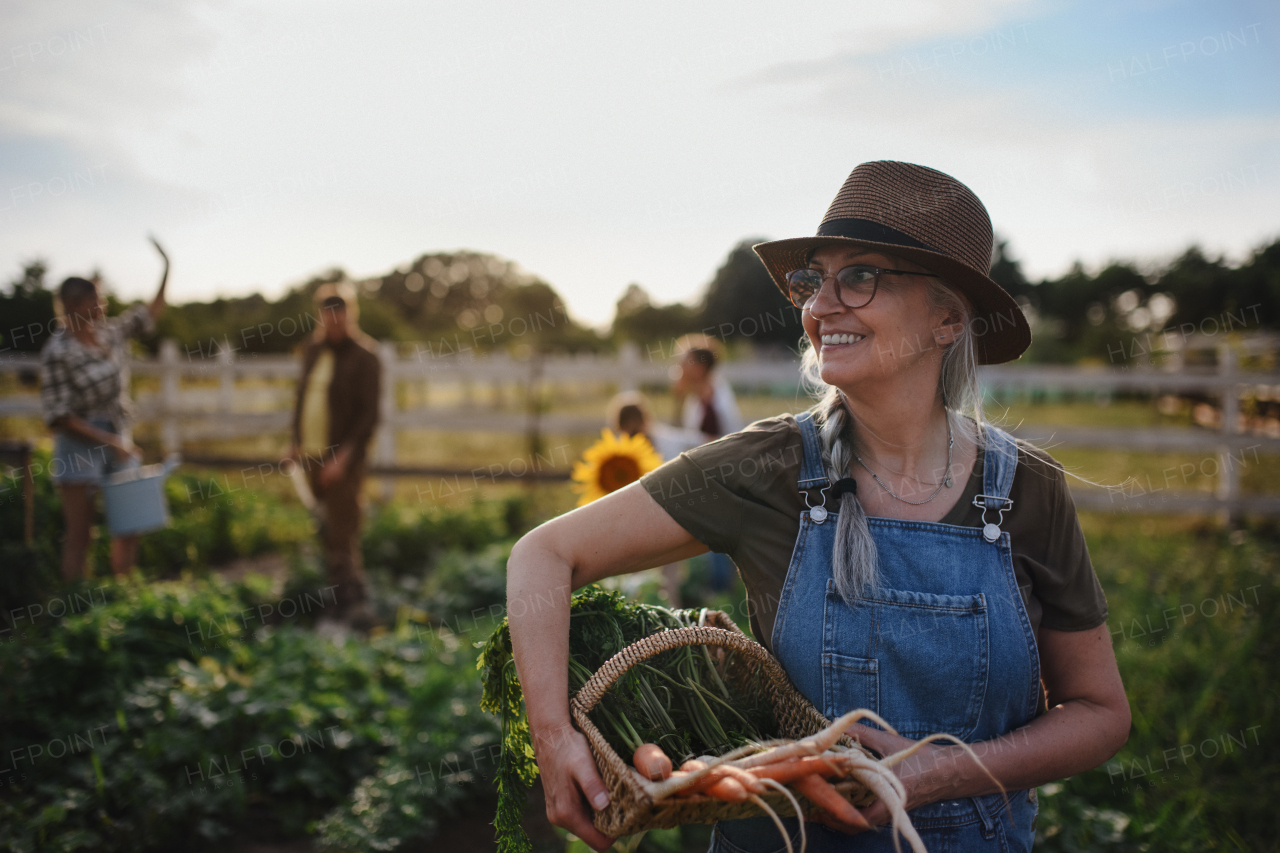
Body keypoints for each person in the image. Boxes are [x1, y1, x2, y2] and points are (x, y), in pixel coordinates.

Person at [506, 161, 1130, 852]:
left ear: (948, 317)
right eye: (813, 279)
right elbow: (543, 554)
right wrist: (553, 736)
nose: (819, 306)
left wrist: (937, 771)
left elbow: (1100, 711)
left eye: (859, 276)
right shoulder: (769, 466)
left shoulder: (1024, 487)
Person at [39, 238, 169, 581]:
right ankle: (75, 605)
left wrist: (167, 268)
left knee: (130, 522)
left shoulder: (109, 332)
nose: (103, 304)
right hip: (79, 440)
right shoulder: (57, 351)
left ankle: (122, 594)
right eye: (95, 299)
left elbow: (149, 312)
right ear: (77, 305)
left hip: (115, 431)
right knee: (80, 534)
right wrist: (110, 442)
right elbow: (59, 417)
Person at [288, 282, 382, 628]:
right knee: (325, 528)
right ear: (321, 317)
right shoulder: (313, 351)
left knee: (343, 530)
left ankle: (350, 605)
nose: (334, 322)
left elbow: (368, 416)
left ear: (350, 315)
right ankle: (336, 597)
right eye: (328, 316)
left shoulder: (366, 356)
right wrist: (294, 441)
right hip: (312, 454)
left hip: (342, 460)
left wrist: (342, 459)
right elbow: (302, 399)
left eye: (340, 315)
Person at [671, 334, 744, 444]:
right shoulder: (693, 397)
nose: (680, 367)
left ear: (700, 368)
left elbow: (729, 435)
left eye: (685, 362)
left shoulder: (719, 398)